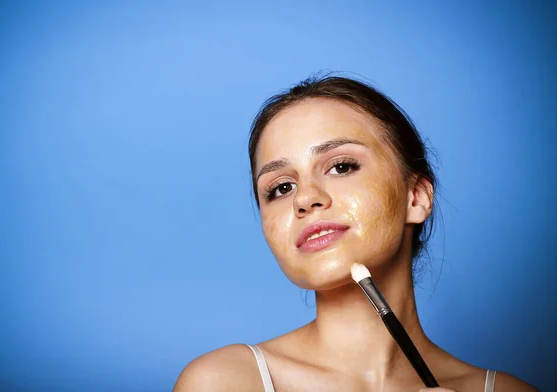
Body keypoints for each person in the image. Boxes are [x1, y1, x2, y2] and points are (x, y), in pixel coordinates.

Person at [173, 76, 538, 392]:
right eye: (280, 188)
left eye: (341, 166)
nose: (305, 198)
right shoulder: (225, 381)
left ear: (416, 197)